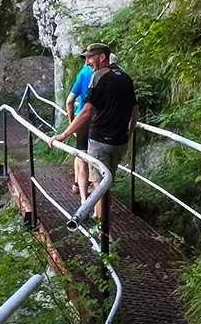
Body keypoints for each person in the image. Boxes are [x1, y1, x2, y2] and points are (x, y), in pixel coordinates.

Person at [47, 42, 137, 221]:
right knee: (106, 184)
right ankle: (104, 227)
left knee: (99, 189)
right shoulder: (125, 77)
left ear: (101, 57)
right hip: (120, 143)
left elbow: (87, 111)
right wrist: (130, 131)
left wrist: (64, 134)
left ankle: (105, 236)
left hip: (100, 142)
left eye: (89, 57)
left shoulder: (98, 77)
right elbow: (135, 109)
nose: (87, 62)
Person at [64, 51, 96, 206]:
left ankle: (78, 186)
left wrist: (72, 123)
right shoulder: (101, 74)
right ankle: (92, 192)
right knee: (94, 159)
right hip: (96, 121)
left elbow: (69, 101)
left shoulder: (83, 72)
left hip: (80, 119)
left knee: (80, 154)